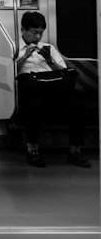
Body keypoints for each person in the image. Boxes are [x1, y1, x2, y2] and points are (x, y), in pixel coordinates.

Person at [14, 11, 90, 168]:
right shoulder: (14, 48)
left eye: (40, 33)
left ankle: (74, 151)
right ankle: (33, 149)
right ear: (23, 30)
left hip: (54, 87)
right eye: (34, 32)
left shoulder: (48, 48)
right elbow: (10, 71)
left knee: (78, 107)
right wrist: (24, 57)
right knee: (32, 106)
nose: (37, 37)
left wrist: (49, 60)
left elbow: (64, 72)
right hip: (32, 88)